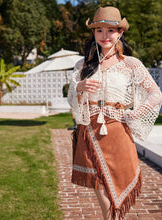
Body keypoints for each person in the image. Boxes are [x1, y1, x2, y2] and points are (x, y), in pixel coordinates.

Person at [68, 6, 162, 220]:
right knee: (100, 186)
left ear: (120, 32)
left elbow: (156, 94)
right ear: (93, 33)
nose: (104, 35)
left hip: (117, 131)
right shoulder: (82, 65)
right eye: (99, 30)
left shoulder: (131, 64)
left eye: (110, 30)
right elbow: (73, 98)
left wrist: (134, 114)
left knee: (118, 182)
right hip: (89, 131)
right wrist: (80, 87)